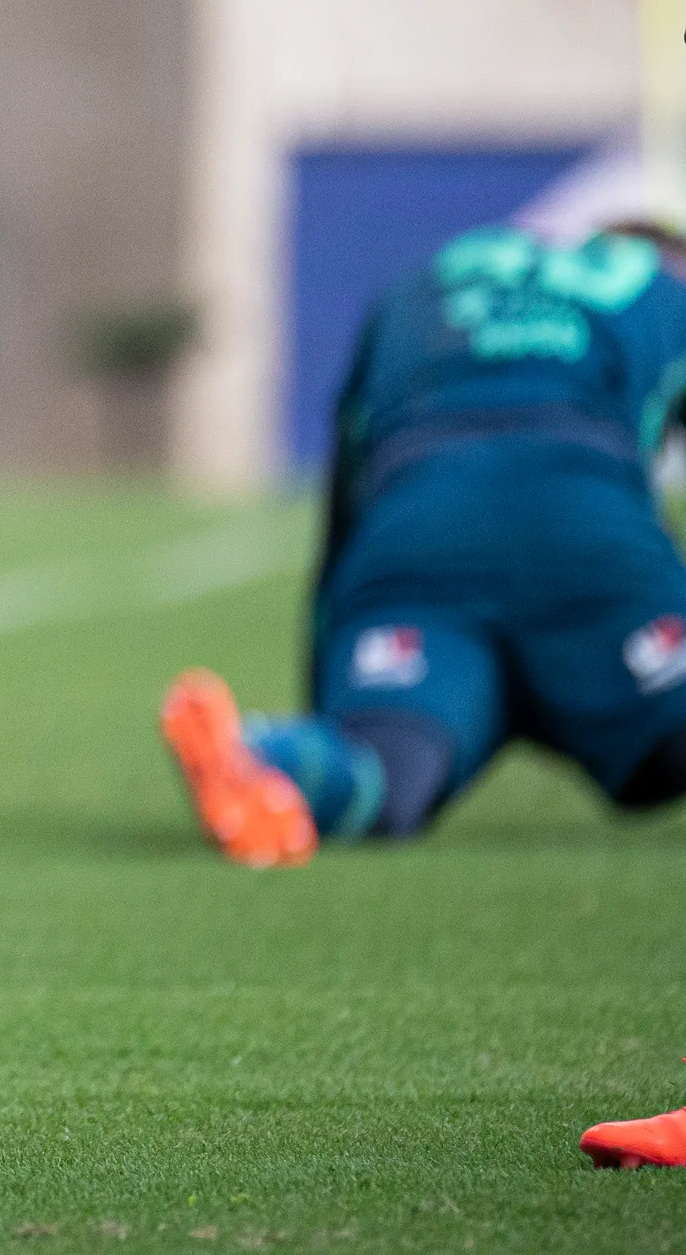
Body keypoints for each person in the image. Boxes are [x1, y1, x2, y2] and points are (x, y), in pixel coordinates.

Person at [161, 222, 686, 869]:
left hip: (416, 535)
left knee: (382, 768)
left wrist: (334, 700)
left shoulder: (420, 283)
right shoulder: (661, 289)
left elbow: (345, 501)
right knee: (666, 741)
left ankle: (264, 756)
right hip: (586, 533)